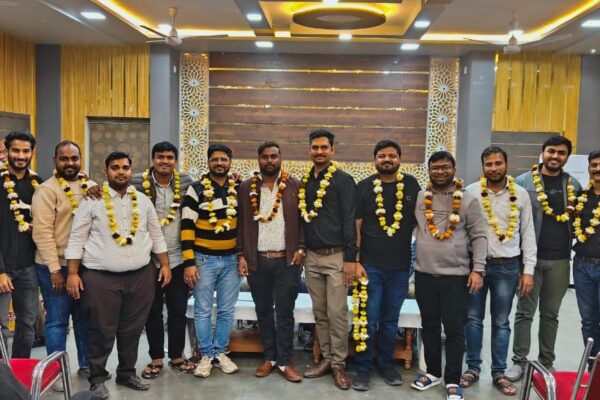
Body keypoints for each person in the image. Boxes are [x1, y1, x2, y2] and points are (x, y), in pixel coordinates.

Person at [65, 151, 171, 399]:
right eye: (115, 167)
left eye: (125, 167)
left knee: (132, 329)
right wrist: (72, 273)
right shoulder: (92, 201)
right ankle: (97, 378)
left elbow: (156, 234)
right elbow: (77, 238)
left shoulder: (142, 201)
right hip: (100, 278)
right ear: (106, 171)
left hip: (141, 276)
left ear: (131, 171)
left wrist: (165, 265)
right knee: (101, 330)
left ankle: (126, 373)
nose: (121, 172)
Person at [411, 151, 487, 400]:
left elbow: (479, 236)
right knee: (429, 326)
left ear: (454, 169)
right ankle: (433, 372)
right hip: (424, 274)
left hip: (456, 276)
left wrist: (478, 269)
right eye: (435, 168)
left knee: (454, 330)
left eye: (445, 167)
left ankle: (453, 379)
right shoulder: (421, 197)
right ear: (429, 170)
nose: (440, 172)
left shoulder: (468, 199)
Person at [461, 146, 537, 396]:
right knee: (473, 319)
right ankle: (472, 368)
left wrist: (528, 270)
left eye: (498, 163)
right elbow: (464, 231)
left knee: (501, 322)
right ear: (483, 167)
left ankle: (498, 372)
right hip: (476, 266)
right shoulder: (471, 192)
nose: (493, 168)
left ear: (506, 164)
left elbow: (527, 232)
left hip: (508, 266)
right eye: (489, 164)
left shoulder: (521, 194)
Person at [506, 135, 582, 381]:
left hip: (560, 261)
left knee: (550, 315)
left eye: (561, 153)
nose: (555, 156)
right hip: (530, 260)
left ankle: (546, 362)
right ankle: (519, 361)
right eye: (551, 151)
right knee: (524, 312)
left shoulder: (573, 185)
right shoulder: (523, 182)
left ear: (567, 157)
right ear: (543, 153)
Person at [352, 140, 421, 391]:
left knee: (391, 321)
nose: (387, 159)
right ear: (375, 159)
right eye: (382, 156)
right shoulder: (364, 187)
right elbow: (356, 227)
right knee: (368, 320)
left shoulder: (411, 185)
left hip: (400, 268)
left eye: (392, 155)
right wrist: (356, 261)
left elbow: (421, 221)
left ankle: (385, 363)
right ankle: (363, 367)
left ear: (400, 159)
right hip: (370, 266)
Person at [31, 141, 101, 389]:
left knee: (84, 319)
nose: (70, 163)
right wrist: (54, 270)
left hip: (85, 266)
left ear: (81, 159)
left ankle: (87, 365)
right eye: (64, 158)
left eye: (74, 158)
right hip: (55, 265)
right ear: (55, 160)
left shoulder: (91, 187)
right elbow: (42, 234)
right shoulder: (46, 190)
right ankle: (56, 373)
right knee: (57, 320)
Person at [237, 141, 304, 382]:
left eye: (273, 156)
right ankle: (270, 358)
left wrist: (301, 248)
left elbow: (303, 220)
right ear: (258, 159)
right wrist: (241, 255)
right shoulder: (246, 187)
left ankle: (285, 362)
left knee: (285, 313)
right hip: (258, 261)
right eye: (264, 156)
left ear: (280, 158)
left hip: (287, 261)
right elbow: (240, 223)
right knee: (263, 311)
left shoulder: (294, 185)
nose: (269, 160)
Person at [300, 130, 358, 390]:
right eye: (315, 147)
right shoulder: (306, 181)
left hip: (336, 257)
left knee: (337, 313)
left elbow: (350, 220)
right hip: (312, 258)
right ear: (309, 150)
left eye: (324, 147)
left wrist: (351, 259)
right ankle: (326, 358)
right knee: (320, 313)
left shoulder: (343, 180)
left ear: (333, 149)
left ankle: (339, 365)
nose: (319, 152)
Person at [132, 141, 194, 378]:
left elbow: (206, 188)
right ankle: (156, 358)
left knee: (178, 310)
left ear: (175, 161)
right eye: (160, 157)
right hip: (148, 259)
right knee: (152, 311)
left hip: (178, 257)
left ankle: (177, 356)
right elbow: (113, 190)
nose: (165, 161)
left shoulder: (186, 182)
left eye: (169, 157)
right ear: (153, 159)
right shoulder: (138, 182)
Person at [181, 144, 241, 378]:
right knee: (203, 310)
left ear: (230, 162)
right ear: (208, 162)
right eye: (215, 159)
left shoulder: (238, 189)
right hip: (203, 259)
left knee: (226, 310)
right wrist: (189, 262)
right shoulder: (196, 189)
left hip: (232, 260)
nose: (219, 163)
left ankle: (220, 352)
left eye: (223, 159)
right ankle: (205, 354)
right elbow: (187, 226)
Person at [0, 131, 42, 358]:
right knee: (1, 327)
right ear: (7, 151)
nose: (20, 155)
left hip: (28, 268)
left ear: (32, 153)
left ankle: (19, 369)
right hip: (2, 267)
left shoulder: (38, 184)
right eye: (15, 150)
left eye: (26, 151)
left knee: (27, 323)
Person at [572, 150, 600, 370]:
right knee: (588, 321)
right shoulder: (581, 196)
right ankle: (593, 370)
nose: (598, 169)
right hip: (582, 265)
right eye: (594, 165)